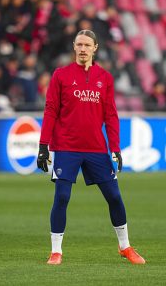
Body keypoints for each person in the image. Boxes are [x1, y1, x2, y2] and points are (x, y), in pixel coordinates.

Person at [37, 30, 145, 266]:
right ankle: (56, 252)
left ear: (95, 48)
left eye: (87, 45)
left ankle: (125, 247)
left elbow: (111, 115)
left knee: (115, 197)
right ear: (74, 47)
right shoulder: (61, 75)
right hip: (66, 147)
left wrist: (115, 148)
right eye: (79, 44)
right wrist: (43, 146)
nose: (83, 48)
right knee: (62, 197)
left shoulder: (104, 77)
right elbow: (50, 111)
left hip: (96, 148)